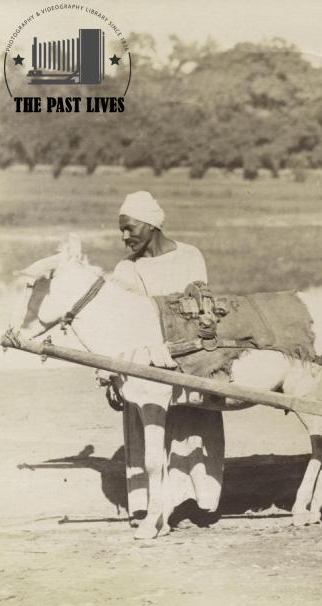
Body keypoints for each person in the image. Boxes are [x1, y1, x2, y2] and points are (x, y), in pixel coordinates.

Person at [110, 191, 224, 526]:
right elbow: (120, 323)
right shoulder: (125, 269)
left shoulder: (190, 257)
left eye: (129, 228)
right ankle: (147, 503)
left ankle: (195, 501)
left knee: (193, 424)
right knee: (146, 426)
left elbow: (200, 305)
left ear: (151, 225)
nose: (124, 237)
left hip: (186, 356)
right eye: (121, 230)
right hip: (144, 363)